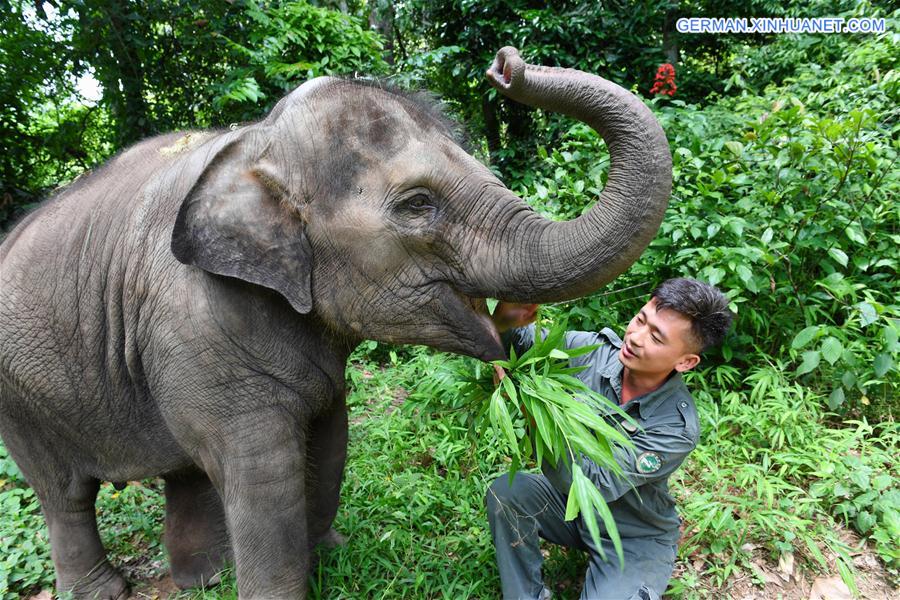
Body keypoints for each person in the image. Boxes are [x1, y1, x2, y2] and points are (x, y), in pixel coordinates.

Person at [485, 278, 733, 600]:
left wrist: (532, 415)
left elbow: (590, 483)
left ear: (685, 361)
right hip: (571, 510)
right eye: (641, 319)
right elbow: (522, 346)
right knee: (507, 493)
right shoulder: (594, 352)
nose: (636, 337)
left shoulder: (674, 427)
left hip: (633, 535)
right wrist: (505, 320)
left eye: (656, 337)